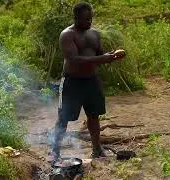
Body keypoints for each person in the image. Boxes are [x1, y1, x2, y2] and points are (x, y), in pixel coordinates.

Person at [49, 2, 126, 161]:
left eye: (90, 19)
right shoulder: (67, 35)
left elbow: (99, 54)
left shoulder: (95, 33)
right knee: (64, 117)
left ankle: (96, 149)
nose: (89, 22)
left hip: (91, 80)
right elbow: (73, 59)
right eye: (85, 19)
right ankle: (55, 152)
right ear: (76, 18)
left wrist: (111, 56)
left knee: (94, 115)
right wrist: (102, 58)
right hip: (72, 82)